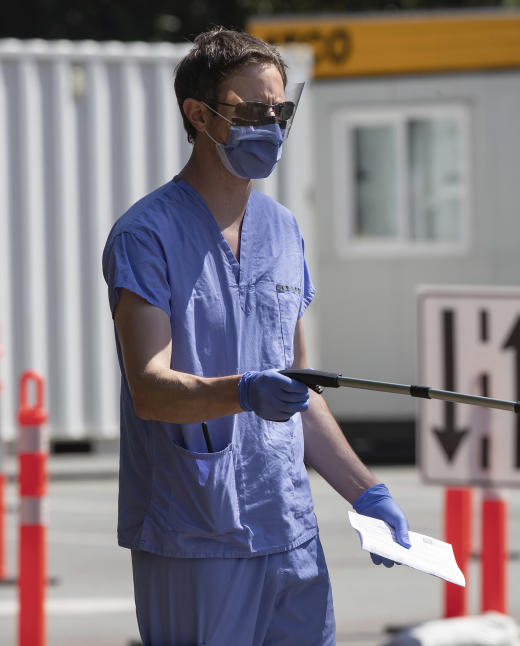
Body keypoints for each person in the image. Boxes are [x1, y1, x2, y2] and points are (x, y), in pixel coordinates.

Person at [101, 28, 410, 646]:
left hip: (290, 534)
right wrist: (243, 392)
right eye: (249, 111)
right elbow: (151, 392)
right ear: (200, 115)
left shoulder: (284, 229)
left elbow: (299, 390)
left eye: (279, 111)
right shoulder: (147, 235)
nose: (269, 125)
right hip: (195, 537)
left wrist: (367, 491)